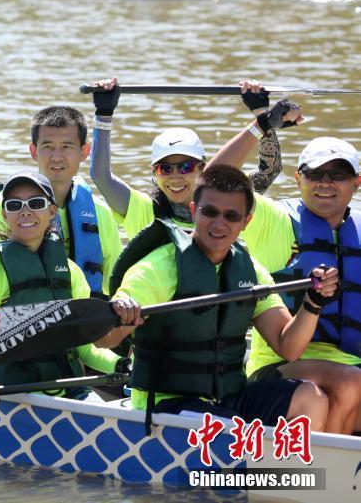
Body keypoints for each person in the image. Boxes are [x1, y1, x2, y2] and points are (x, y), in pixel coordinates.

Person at [102, 165, 335, 433]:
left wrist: (313, 304)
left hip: (227, 399)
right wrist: (123, 319)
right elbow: (105, 338)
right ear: (193, 211)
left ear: (246, 221)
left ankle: (285, 473)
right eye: (209, 212)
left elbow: (288, 347)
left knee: (311, 398)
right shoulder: (157, 269)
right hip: (167, 405)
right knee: (228, 427)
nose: (219, 223)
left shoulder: (251, 271)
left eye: (231, 216)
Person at [209, 133, 361, 435]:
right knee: (350, 382)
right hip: (278, 366)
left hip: (352, 362)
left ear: (357, 181)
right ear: (297, 179)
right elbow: (213, 180)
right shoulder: (273, 219)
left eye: (338, 174)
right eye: (314, 173)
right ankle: (325, 474)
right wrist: (259, 126)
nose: (325, 182)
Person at [0, 171, 125, 403]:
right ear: (4, 214)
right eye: (15, 205)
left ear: (52, 212)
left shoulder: (71, 273)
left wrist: (119, 363)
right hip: (11, 395)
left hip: (71, 391)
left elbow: (84, 349)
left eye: (36, 203)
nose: (25, 211)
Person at [88, 78, 298, 240]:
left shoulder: (228, 201)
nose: (175, 177)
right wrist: (104, 113)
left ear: (202, 168)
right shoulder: (141, 210)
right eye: (165, 169)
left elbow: (269, 170)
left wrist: (263, 115)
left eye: (186, 167)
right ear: (154, 173)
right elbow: (101, 176)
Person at [0, 106, 122, 297]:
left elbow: (117, 283)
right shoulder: (9, 207)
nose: (56, 157)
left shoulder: (100, 213)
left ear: (84, 151)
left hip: (84, 318)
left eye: (67, 146)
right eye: (48, 147)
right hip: (20, 317)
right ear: (34, 151)